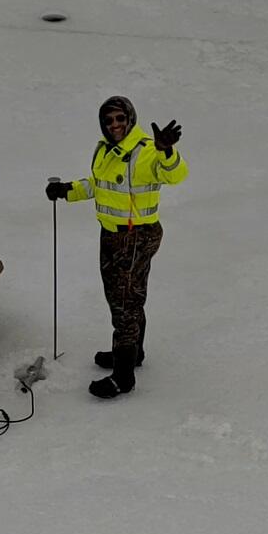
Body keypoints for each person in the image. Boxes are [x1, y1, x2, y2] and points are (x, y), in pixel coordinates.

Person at [45, 96, 189, 399]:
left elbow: (176, 175)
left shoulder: (147, 151)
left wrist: (167, 151)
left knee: (125, 303)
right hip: (111, 235)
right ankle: (132, 352)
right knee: (123, 296)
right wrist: (66, 190)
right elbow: (99, 185)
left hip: (136, 236)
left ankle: (123, 377)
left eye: (120, 119)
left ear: (131, 118)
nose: (115, 126)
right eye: (109, 120)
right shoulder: (105, 150)